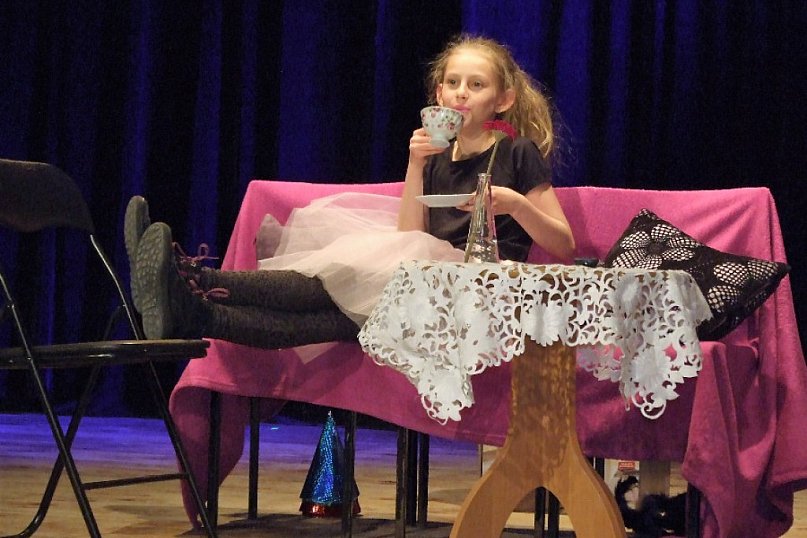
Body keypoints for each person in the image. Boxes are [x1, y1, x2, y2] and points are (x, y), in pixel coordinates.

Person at [125, 34, 575, 349]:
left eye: (476, 86)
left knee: (332, 286)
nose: (462, 94)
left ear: (503, 99)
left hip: (479, 290)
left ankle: (193, 279)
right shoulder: (437, 156)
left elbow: (564, 244)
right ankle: (195, 312)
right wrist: (415, 164)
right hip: (421, 279)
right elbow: (409, 235)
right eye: (453, 84)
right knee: (331, 317)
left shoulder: (517, 152)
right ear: (438, 94)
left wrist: (514, 204)